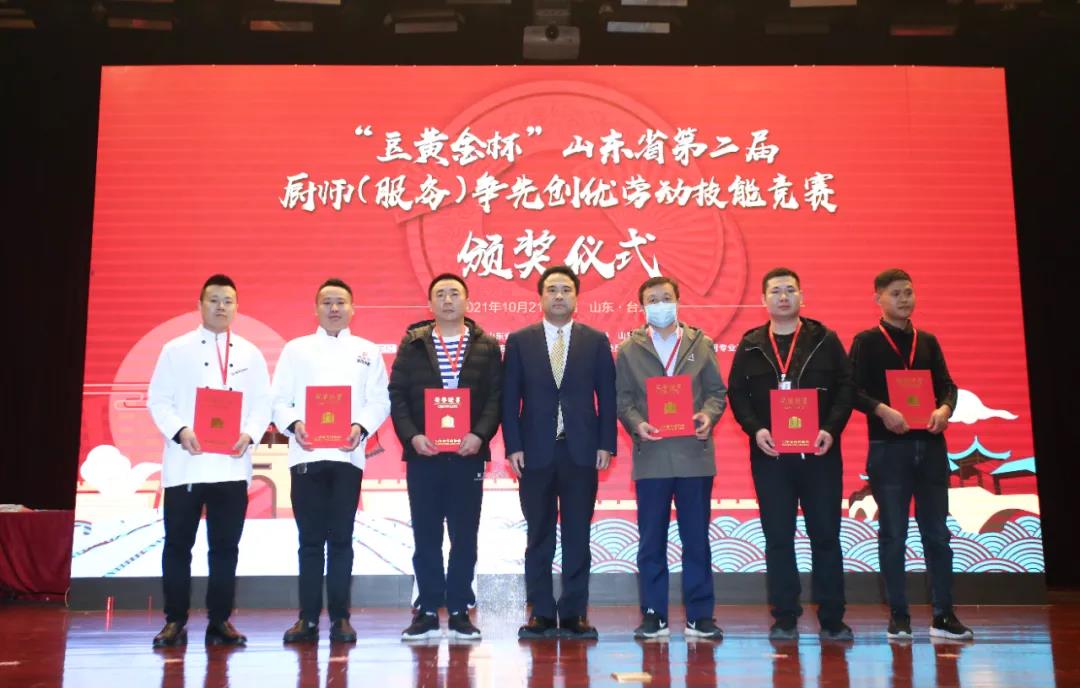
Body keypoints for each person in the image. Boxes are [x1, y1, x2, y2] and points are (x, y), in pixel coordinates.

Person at [727, 267, 855, 641]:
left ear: (801, 295)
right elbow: (737, 394)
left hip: (820, 454)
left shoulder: (825, 339)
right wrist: (756, 430)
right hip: (771, 457)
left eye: (790, 290)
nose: (783, 297)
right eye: (775, 291)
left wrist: (830, 429)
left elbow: (846, 387)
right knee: (779, 538)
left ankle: (832, 618)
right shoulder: (751, 344)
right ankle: (785, 616)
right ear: (763, 299)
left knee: (826, 536)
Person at [147, 274, 272, 648]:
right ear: (200, 305)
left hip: (231, 466)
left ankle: (220, 621)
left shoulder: (250, 353)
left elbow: (262, 403)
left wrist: (249, 433)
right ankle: (174, 621)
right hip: (186, 462)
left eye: (228, 301)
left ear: (236, 307)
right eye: (214, 299)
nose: (221, 306)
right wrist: (181, 430)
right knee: (177, 546)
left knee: (225, 548)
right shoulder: (175, 350)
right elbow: (159, 400)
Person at [849, 268, 974, 640]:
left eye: (908, 292)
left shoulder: (928, 341)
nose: (904, 299)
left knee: (938, 535)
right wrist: (882, 410)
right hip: (888, 449)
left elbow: (948, 386)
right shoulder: (866, 342)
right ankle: (899, 616)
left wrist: (945, 409)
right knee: (893, 534)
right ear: (878, 299)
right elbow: (851, 390)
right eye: (896, 294)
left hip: (930, 447)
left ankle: (943, 615)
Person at [272, 278, 391, 644]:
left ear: (353, 309)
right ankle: (307, 619)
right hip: (306, 454)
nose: (334, 308)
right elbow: (279, 401)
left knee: (341, 540)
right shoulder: (295, 350)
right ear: (316, 309)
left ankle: (341, 619)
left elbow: (379, 401)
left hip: (347, 457)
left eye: (341, 302)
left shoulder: (367, 351)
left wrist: (361, 426)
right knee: (309, 542)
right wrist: (295, 424)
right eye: (327, 302)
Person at [502, 265, 617, 640]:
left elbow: (608, 396)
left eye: (566, 289)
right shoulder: (520, 341)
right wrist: (513, 446)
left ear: (576, 298)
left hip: (581, 451)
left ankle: (573, 613)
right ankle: (539, 612)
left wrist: (606, 443)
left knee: (577, 534)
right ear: (540, 297)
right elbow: (509, 399)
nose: (558, 296)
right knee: (538, 535)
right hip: (534, 452)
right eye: (551, 289)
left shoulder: (595, 340)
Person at [389, 273, 503, 641]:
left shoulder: (486, 345)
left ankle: (459, 610)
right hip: (425, 454)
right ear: (430, 304)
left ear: (467, 301)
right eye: (441, 294)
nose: (448, 300)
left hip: (468, 454)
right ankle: (426, 610)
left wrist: (479, 435)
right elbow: (397, 395)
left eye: (455, 293)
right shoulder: (413, 343)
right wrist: (413, 436)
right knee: (426, 535)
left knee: (464, 535)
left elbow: (495, 397)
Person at [615, 276, 727, 640]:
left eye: (666, 298)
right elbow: (622, 400)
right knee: (651, 541)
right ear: (642, 307)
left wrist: (708, 416)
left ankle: (700, 616)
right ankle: (653, 615)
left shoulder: (701, 343)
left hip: (694, 455)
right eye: (653, 300)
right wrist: (637, 424)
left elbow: (716, 393)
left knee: (697, 540)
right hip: (652, 456)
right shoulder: (629, 350)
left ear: (678, 301)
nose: (660, 304)